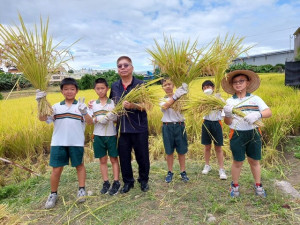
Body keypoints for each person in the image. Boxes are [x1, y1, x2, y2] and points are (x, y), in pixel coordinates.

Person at [36, 78, 92, 209]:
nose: (69, 91)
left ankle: (82, 189)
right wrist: (40, 102)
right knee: (56, 169)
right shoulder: (56, 107)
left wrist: (84, 112)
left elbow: (90, 122)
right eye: (66, 89)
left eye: (72, 89)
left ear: (76, 91)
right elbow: (42, 118)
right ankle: (53, 194)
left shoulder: (81, 106)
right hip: (58, 142)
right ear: (61, 91)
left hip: (76, 142)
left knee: (79, 165)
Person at [221, 70, 272, 197]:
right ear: (232, 85)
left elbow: (269, 112)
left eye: (241, 81)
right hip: (237, 134)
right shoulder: (229, 102)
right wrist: (227, 114)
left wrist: (258, 114)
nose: (238, 84)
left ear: (248, 83)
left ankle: (258, 185)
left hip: (254, 133)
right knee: (237, 161)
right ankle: (235, 186)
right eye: (235, 82)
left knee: (254, 160)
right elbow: (227, 122)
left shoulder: (255, 99)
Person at [109, 56, 150, 193]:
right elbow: (111, 105)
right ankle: (128, 182)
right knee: (124, 157)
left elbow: (148, 106)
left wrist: (133, 106)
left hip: (139, 128)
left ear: (132, 68)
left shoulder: (141, 84)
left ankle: (143, 180)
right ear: (117, 70)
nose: (123, 68)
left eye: (126, 65)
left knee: (142, 157)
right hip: (123, 129)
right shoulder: (115, 86)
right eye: (120, 66)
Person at [85, 78, 120, 195]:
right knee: (102, 160)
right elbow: (89, 121)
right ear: (95, 90)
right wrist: (97, 119)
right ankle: (106, 182)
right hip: (98, 135)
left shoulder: (113, 103)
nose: (100, 91)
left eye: (102, 88)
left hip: (111, 134)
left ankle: (116, 182)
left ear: (107, 89)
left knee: (114, 159)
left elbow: (117, 119)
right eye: (98, 88)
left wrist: (111, 117)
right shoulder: (93, 104)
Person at [159, 78, 190, 183]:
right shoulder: (162, 99)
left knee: (181, 151)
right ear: (162, 88)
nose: (167, 86)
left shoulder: (182, 98)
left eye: (169, 84)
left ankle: (183, 172)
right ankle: (170, 172)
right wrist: (176, 96)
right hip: (167, 127)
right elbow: (165, 106)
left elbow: (187, 108)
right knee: (169, 151)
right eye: (165, 85)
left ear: (173, 85)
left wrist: (185, 94)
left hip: (180, 126)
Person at [201, 80, 227, 180]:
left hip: (217, 123)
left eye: (209, 87)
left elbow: (225, 111)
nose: (207, 89)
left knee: (218, 147)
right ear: (203, 90)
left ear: (213, 88)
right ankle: (207, 165)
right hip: (206, 123)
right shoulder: (202, 100)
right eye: (204, 87)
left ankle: (221, 169)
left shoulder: (219, 98)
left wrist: (219, 102)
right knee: (207, 146)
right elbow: (198, 111)